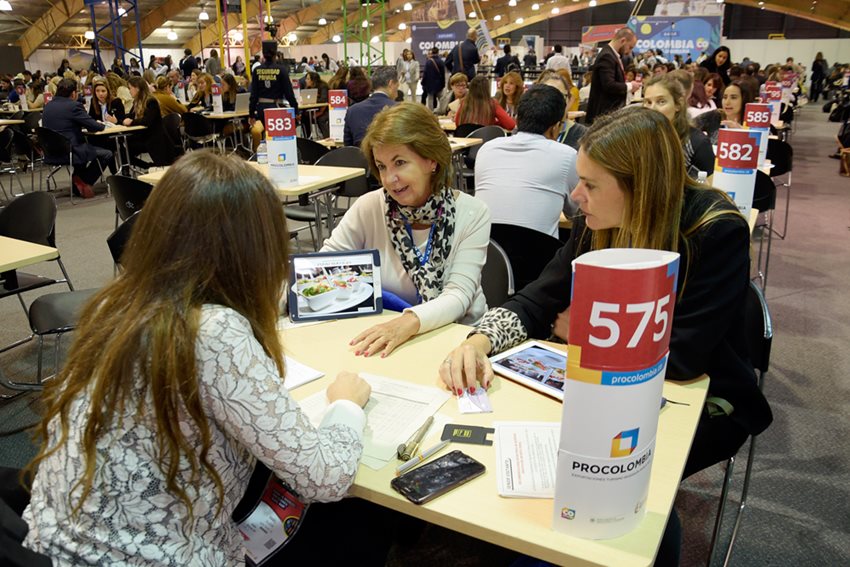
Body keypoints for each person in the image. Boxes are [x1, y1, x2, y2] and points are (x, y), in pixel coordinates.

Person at [22, 150, 372, 564]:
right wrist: (347, 404)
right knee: (355, 514)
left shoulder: (115, 305)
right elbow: (325, 478)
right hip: (152, 555)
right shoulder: (214, 332)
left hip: (56, 545)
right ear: (255, 248)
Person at [441, 104, 772, 479]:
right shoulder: (596, 224)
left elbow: (682, 357)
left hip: (703, 398)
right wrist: (480, 339)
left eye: (591, 184)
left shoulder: (715, 231)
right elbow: (539, 297)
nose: (576, 196)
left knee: (607, 471)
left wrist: (580, 330)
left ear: (639, 188)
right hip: (609, 386)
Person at [323, 102, 489, 357]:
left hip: (458, 341)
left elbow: (458, 296)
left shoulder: (472, 213)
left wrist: (405, 324)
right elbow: (324, 267)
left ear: (431, 159)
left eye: (399, 162)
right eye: (382, 166)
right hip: (390, 341)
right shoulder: (370, 206)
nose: (389, 179)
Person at [474, 85, 578, 238]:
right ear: (555, 127)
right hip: (539, 257)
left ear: (517, 118)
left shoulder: (487, 149)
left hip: (486, 253)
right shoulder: (567, 156)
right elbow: (576, 213)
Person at [42, 78, 113, 198]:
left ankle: (79, 181)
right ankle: (83, 181)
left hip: (50, 151)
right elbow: (95, 126)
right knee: (107, 154)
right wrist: (104, 124)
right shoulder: (74, 106)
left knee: (85, 148)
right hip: (70, 150)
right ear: (74, 93)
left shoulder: (48, 106)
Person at [644, 74, 715, 178]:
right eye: (648, 102)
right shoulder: (638, 138)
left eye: (661, 101)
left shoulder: (697, 143)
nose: (652, 108)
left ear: (678, 104)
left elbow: (709, 189)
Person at [249, 41, 298, 150]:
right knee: (279, 139)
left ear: (263, 53)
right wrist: (296, 110)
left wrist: (251, 114)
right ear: (276, 53)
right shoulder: (281, 70)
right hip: (276, 108)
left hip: (261, 108)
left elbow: (253, 95)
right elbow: (289, 93)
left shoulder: (257, 71)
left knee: (268, 136)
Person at [586, 27, 639, 124]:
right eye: (630, 47)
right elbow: (608, 85)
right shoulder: (607, 56)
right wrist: (630, 86)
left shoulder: (613, 55)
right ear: (623, 41)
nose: (629, 52)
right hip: (603, 114)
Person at [123, 75, 172, 167]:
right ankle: (146, 166)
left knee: (126, 147)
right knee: (122, 148)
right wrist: (120, 119)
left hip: (154, 138)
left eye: (130, 88)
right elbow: (131, 116)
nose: (129, 91)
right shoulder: (137, 102)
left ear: (137, 88)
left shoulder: (151, 101)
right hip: (143, 136)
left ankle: (148, 166)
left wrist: (131, 122)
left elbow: (147, 121)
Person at [343, 66, 397, 147]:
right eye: (397, 85)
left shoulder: (352, 111)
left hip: (359, 157)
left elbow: (348, 147)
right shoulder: (399, 109)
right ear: (391, 84)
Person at [536, 69, 587, 151]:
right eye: (548, 94)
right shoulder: (530, 132)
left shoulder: (582, 134)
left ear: (569, 100)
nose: (555, 100)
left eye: (560, 95)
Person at [695, 78, 756, 144]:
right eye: (725, 97)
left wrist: (743, 133)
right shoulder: (715, 115)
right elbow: (686, 128)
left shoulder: (754, 121)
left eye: (733, 97)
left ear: (745, 99)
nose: (727, 102)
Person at [304, 71, 330, 139]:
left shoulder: (323, 86)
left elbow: (324, 100)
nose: (306, 80)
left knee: (320, 119)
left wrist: (313, 100)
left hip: (326, 110)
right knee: (304, 117)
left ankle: (326, 137)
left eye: (308, 79)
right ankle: (308, 137)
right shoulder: (308, 88)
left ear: (313, 80)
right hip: (315, 110)